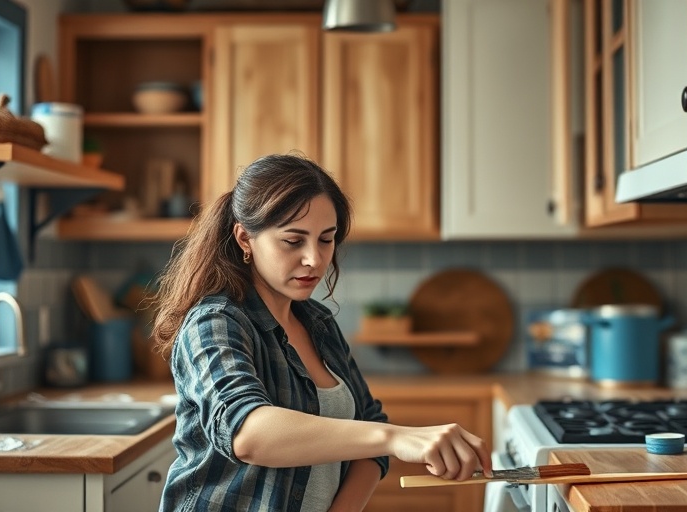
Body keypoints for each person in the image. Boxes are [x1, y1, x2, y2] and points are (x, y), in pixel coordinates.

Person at [152, 153, 492, 512]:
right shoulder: (215, 322)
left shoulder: (319, 323)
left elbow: (369, 424)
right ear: (244, 238)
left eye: (326, 239)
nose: (314, 259)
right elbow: (247, 433)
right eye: (293, 241)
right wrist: (396, 438)